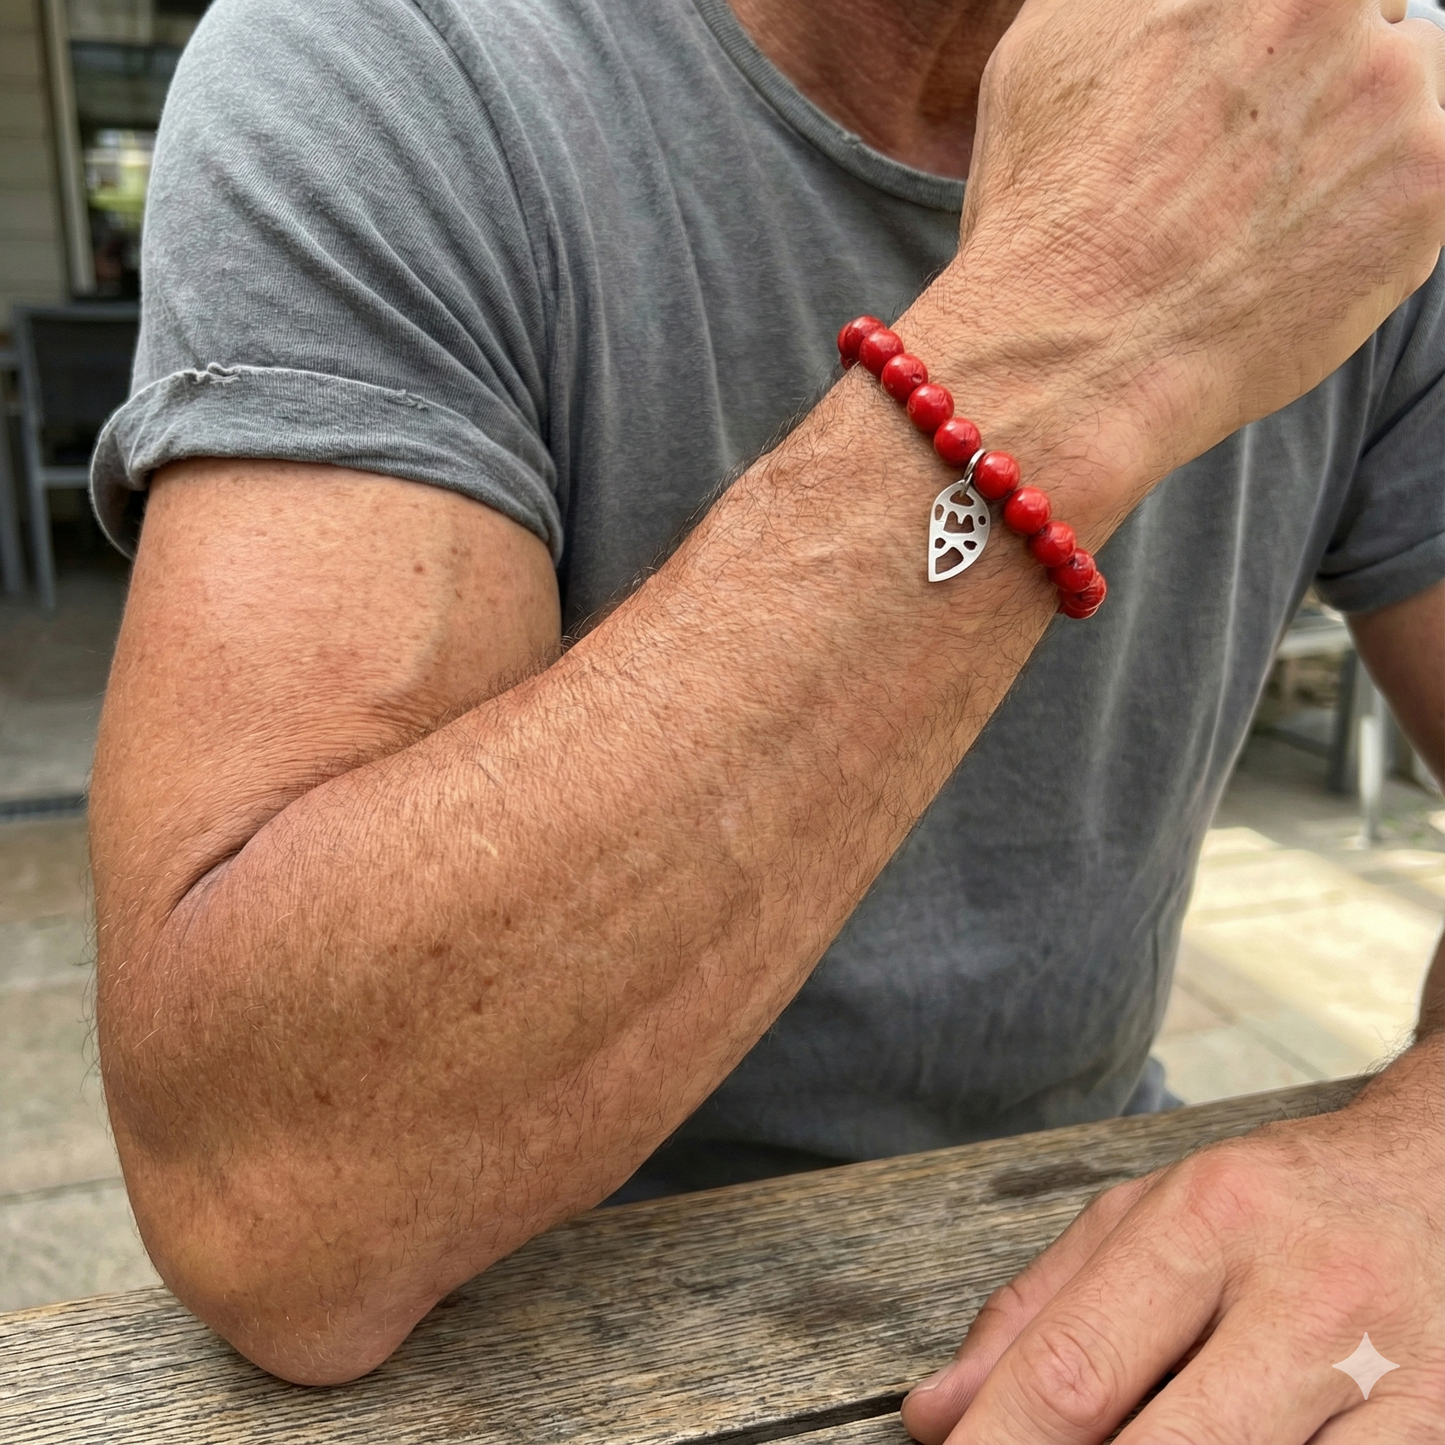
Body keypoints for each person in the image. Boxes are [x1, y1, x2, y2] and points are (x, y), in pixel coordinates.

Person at [88, 0, 1444, 1435]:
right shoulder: (387, 62)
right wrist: (1083, 326)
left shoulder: (1347, 133)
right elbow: (279, 1197)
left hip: (1069, 1267)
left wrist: (1421, 1164)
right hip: (513, 1343)